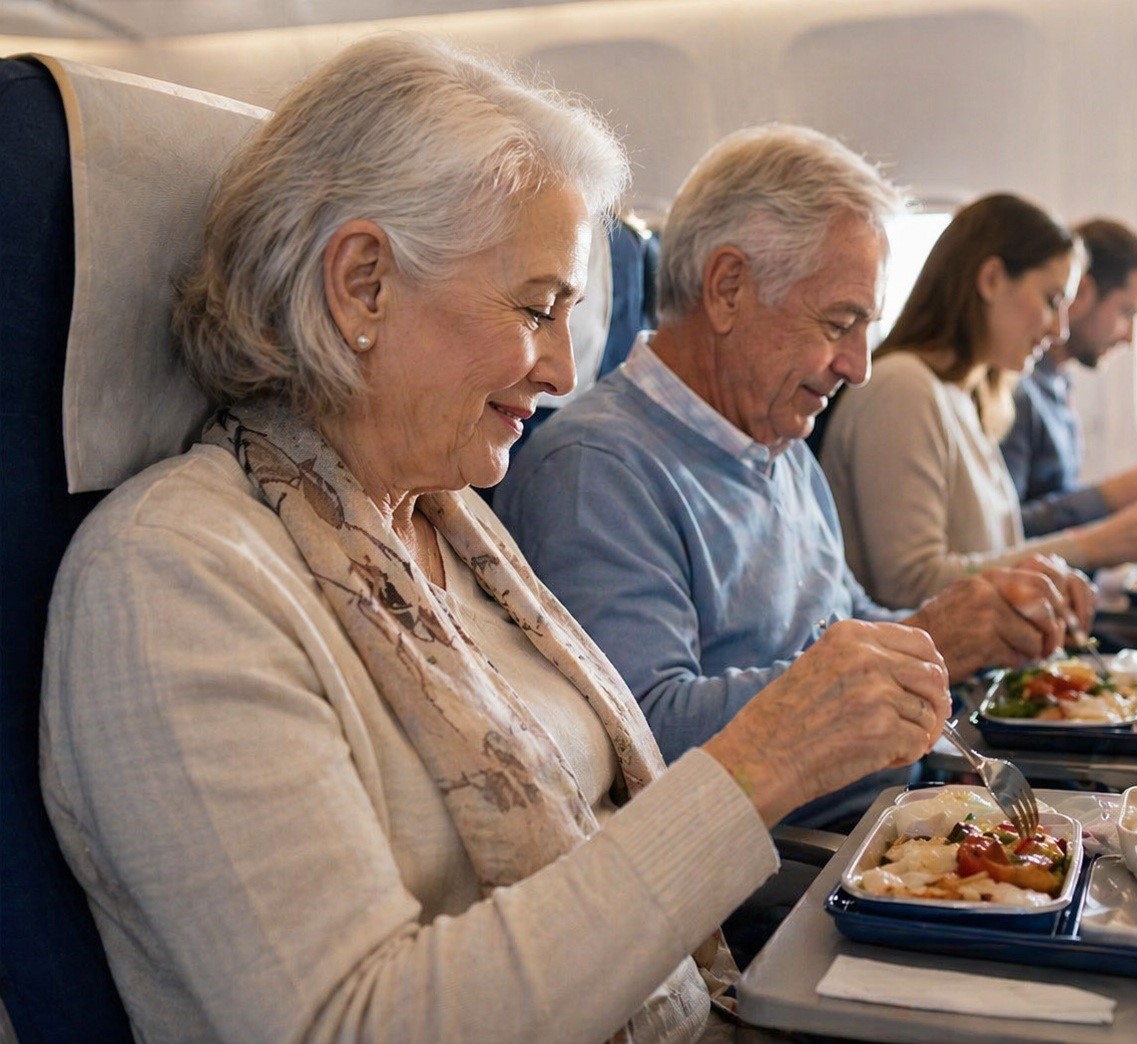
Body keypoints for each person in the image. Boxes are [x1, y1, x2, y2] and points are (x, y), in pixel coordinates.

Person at [40, 37, 959, 1043]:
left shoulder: (452, 528)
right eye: (535, 308)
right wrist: (756, 769)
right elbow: (356, 1025)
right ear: (363, 286)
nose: (565, 371)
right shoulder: (172, 578)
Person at [496, 126, 1092, 829]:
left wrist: (976, 622)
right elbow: (638, 743)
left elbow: (848, 625)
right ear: (726, 289)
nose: (858, 367)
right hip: (776, 889)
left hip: (876, 829)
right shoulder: (596, 470)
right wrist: (929, 639)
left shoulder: (779, 442)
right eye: (840, 323)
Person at [819, 195, 1137, 611]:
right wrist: (1090, 546)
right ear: (991, 279)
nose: (1060, 329)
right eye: (1050, 301)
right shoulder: (902, 389)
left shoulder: (967, 398)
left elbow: (993, 554)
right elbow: (911, 586)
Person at [1002, 217, 1137, 537]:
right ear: (1082, 292)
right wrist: (1108, 497)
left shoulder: (1058, 382)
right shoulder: (1018, 390)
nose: (1129, 337)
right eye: (1126, 312)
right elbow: (1005, 532)